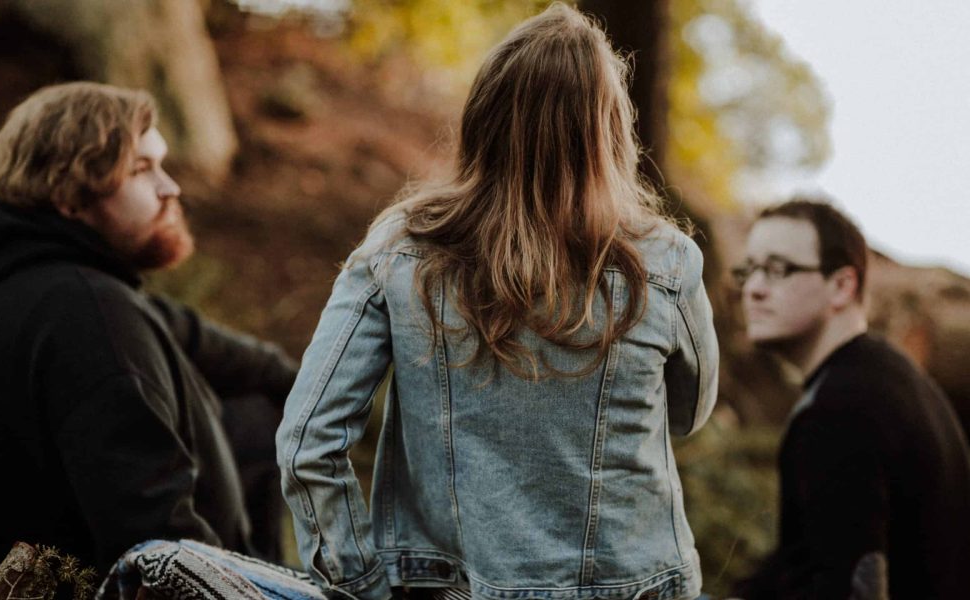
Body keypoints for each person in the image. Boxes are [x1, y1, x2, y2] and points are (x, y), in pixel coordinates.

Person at [276, 4, 719, 600]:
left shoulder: (402, 249)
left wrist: (361, 584)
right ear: (612, 130)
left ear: (483, 116)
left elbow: (307, 442)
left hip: (449, 587)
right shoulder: (664, 263)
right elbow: (688, 415)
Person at [0, 82, 297, 574]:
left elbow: (201, 340)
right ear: (70, 194)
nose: (171, 187)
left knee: (255, 407)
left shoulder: (11, 276)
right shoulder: (88, 317)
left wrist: (320, 392)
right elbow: (162, 550)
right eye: (142, 169)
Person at [731, 198, 970, 599]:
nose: (753, 289)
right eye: (748, 271)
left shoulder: (841, 410)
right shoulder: (884, 375)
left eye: (777, 269)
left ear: (842, 285)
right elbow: (814, 555)